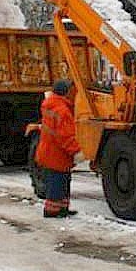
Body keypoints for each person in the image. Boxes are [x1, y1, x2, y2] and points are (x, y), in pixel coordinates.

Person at [35, 79, 85, 218]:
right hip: (57, 155)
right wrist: (76, 151)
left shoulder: (50, 106)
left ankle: (62, 209)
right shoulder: (62, 110)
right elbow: (66, 136)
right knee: (58, 183)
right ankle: (51, 211)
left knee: (62, 181)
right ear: (65, 92)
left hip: (50, 151)